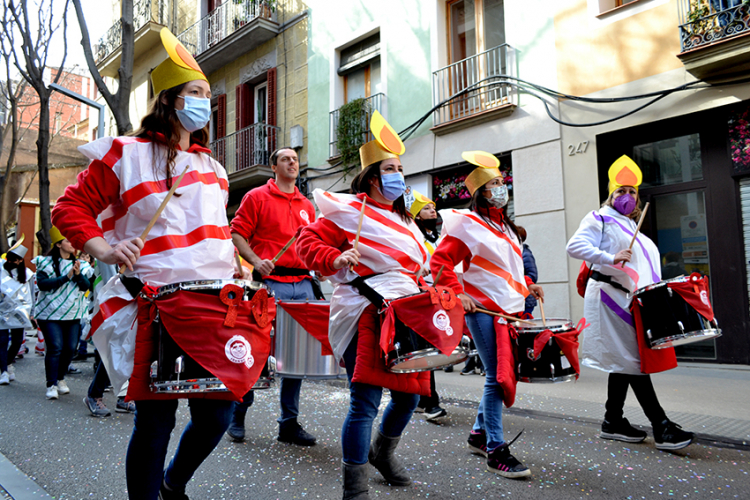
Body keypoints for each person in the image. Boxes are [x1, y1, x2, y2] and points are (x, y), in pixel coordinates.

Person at [51, 28, 254, 500]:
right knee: (155, 422)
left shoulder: (215, 167)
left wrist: (236, 266)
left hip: (215, 304)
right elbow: (69, 208)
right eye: (196, 93)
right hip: (154, 303)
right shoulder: (126, 153)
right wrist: (104, 249)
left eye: (208, 94)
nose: (205, 102)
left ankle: (172, 484)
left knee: (218, 415)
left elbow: (214, 230)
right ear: (169, 100)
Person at [296, 111, 428, 499]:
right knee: (365, 402)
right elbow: (307, 244)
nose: (399, 176)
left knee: (410, 396)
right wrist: (334, 259)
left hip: (406, 315)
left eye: (401, 169)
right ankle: (354, 488)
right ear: (373, 176)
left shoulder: (407, 220)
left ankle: (382, 456)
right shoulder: (349, 211)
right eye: (391, 168)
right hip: (365, 312)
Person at [566, 155, 694, 451]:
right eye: (620, 191)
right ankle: (660, 425)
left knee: (623, 360)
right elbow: (575, 246)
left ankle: (613, 421)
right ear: (610, 194)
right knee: (634, 361)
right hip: (611, 298)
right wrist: (611, 257)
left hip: (632, 300)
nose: (626, 196)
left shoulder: (629, 223)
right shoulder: (598, 218)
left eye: (631, 191)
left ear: (638, 197)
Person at [430, 151, 544, 479]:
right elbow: (439, 263)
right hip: (481, 310)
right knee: (496, 376)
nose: (500, 188)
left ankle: (479, 434)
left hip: (508, 310)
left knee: (500, 374)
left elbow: (509, 270)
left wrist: (529, 285)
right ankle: (496, 449)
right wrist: (458, 293)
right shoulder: (467, 225)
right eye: (493, 184)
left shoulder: (507, 228)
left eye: (502, 182)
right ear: (480, 192)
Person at [228, 146, 318, 445]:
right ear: (274, 167)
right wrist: (255, 260)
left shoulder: (307, 203)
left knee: (296, 356)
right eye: (285, 159)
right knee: (257, 350)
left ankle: (288, 424)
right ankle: (237, 414)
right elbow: (236, 232)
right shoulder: (256, 197)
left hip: (303, 283)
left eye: (295, 159)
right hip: (268, 283)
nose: (292, 162)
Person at [32, 227, 92, 399]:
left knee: (70, 348)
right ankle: (51, 384)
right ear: (58, 244)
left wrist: (78, 274)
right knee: (55, 347)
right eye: (67, 240)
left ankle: (60, 378)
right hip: (49, 313)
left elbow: (86, 286)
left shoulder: (80, 264)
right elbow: (43, 284)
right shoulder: (44, 262)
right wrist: (66, 277)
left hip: (72, 313)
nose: (72, 244)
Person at [409, 191, 447, 421]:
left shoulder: (440, 237)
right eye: (426, 209)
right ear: (417, 216)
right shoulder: (413, 237)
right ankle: (429, 399)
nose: (433, 211)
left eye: (433, 208)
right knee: (424, 348)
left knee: (432, 348)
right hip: (419, 296)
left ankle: (422, 398)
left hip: (440, 297)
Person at [0, 241, 34, 385]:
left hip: (20, 313)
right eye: (10, 259)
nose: (12, 262)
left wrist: (32, 312)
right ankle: (3, 371)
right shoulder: (1, 271)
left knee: (17, 341)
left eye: (15, 260)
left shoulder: (27, 274)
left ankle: (7, 364)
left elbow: (31, 293)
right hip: (1, 311)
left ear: (20, 261)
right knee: (1, 342)